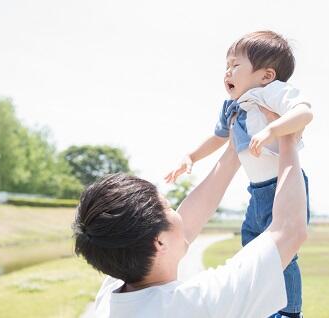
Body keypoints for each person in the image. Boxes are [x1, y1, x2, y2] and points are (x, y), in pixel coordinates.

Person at [73, 133, 308, 318]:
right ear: (160, 242)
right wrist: (287, 138)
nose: (177, 213)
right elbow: (288, 230)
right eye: (167, 207)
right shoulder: (198, 304)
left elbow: (180, 227)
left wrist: (235, 149)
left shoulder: (112, 296)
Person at [164, 30, 313, 317]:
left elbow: (304, 113)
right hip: (257, 189)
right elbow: (218, 138)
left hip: (284, 186)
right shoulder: (232, 107)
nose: (227, 72)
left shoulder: (271, 93)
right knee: (252, 243)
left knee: (283, 253)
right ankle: (263, 305)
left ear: (266, 75)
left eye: (235, 65)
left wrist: (273, 129)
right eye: (226, 66)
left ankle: (290, 312)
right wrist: (191, 156)